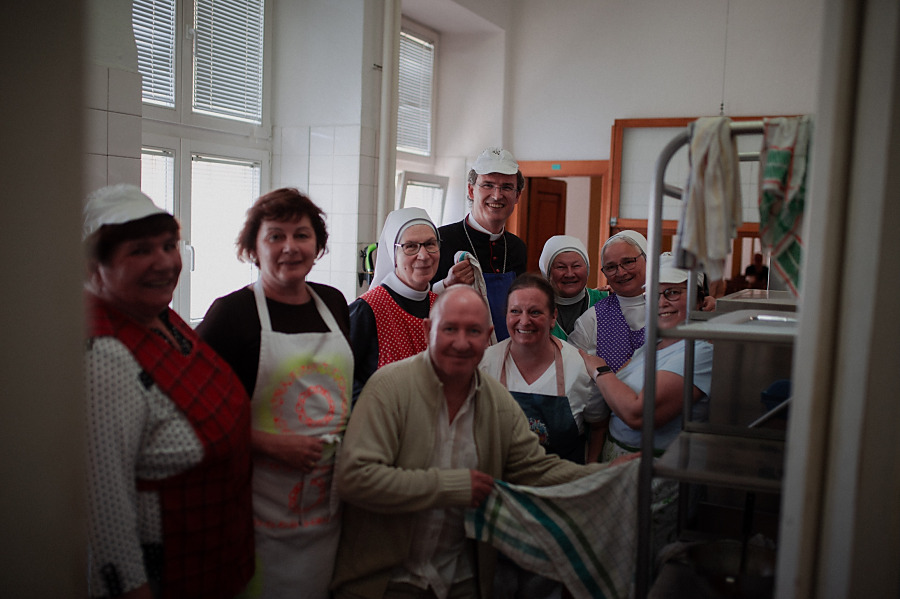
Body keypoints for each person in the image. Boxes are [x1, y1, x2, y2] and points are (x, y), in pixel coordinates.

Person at [331, 286, 619, 599]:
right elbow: (354, 478)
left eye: (473, 331)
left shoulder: (496, 401)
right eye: (449, 329)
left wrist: (611, 474)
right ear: (428, 330)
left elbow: (536, 469)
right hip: (385, 582)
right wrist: (453, 486)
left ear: (488, 337)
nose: (461, 342)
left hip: (461, 581)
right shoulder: (390, 387)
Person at [83, 184, 253, 598]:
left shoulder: (161, 316)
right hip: (168, 578)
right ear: (94, 267)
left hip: (215, 563)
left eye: (168, 245)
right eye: (140, 250)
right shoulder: (101, 356)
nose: (164, 262)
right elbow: (106, 517)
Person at [197, 188, 352, 599]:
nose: (290, 247)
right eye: (275, 236)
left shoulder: (334, 303)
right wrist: (268, 444)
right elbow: (190, 414)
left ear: (318, 245)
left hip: (329, 504)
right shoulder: (231, 315)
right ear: (253, 247)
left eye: (301, 235)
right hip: (257, 509)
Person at [479, 273, 610, 599]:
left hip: (558, 505)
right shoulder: (486, 363)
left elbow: (597, 425)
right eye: (515, 311)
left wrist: (588, 475)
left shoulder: (578, 366)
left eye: (535, 312)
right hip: (502, 505)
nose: (524, 321)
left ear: (553, 317)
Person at [580, 257, 714, 553]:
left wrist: (598, 369)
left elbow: (638, 414)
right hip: (622, 469)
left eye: (673, 292)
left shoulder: (699, 352)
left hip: (659, 480)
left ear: (699, 299)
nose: (662, 302)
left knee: (644, 559)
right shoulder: (653, 346)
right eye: (654, 294)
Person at [430, 147, 528, 341]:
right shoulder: (439, 240)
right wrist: (445, 285)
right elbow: (413, 303)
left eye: (507, 187)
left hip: (507, 352)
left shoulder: (517, 247)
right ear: (471, 190)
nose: (497, 195)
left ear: (517, 196)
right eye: (488, 185)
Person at [349, 208, 439, 402]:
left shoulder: (441, 306)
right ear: (393, 253)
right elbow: (341, 378)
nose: (424, 255)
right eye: (411, 246)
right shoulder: (368, 309)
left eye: (430, 244)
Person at [569, 230, 650, 372]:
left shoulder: (672, 309)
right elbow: (573, 374)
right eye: (611, 267)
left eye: (628, 262)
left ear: (648, 260)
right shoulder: (591, 320)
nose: (621, 272)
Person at [537, 235, 608, 341]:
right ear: (547, 272)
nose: (569, 274)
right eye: (561, 267)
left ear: (587, 269)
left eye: (576, 266)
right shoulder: (536, 308)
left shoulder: (607, 302)